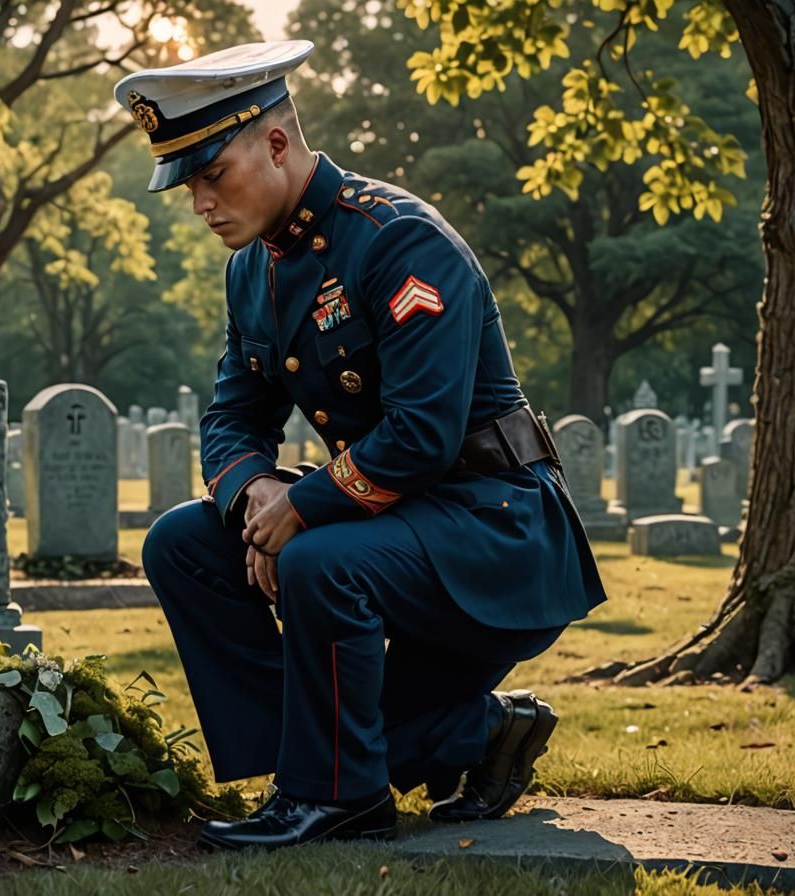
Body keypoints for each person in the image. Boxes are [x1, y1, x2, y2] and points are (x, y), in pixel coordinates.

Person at [117, 40, 607, 852]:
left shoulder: (397, 241)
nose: (199, 201)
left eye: (213, 174)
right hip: (393, 519)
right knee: (183, 543)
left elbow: (422, 435)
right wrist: (257, 499)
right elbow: (231, 417)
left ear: (276, 144)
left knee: (319, 561)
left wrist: (304, 511)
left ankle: (337, 795)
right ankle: (392, 752)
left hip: (496, 525)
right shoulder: (253, 271)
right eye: (188, 183)